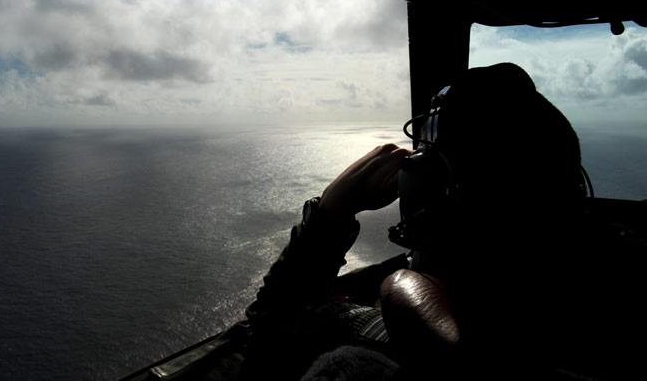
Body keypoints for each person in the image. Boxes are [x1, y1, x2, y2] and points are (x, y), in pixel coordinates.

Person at [239, 63, 644, 381]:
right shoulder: (618, 283)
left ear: (431, 188)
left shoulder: (369, 359)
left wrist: (330, 212)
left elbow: (263, 339)